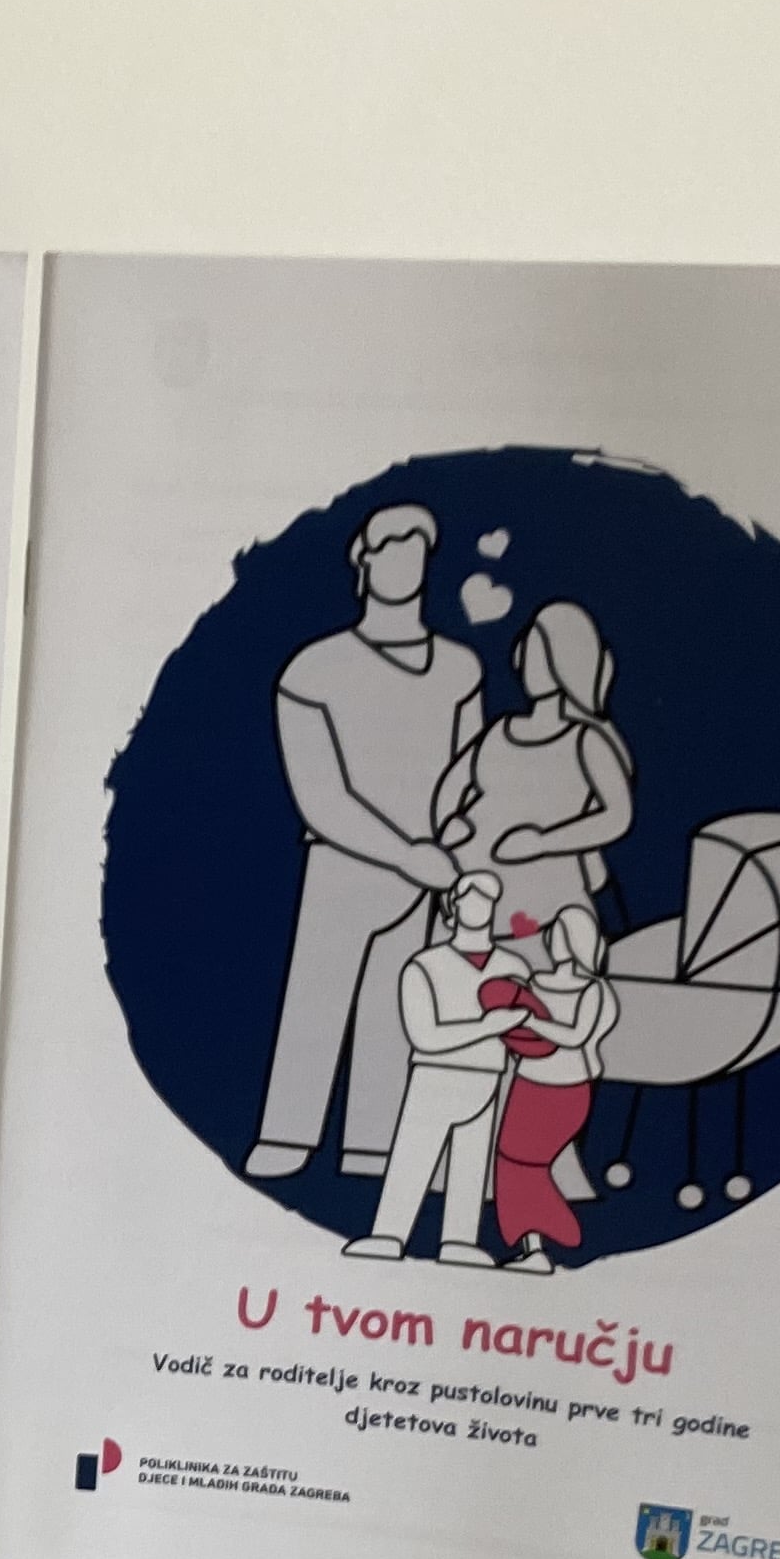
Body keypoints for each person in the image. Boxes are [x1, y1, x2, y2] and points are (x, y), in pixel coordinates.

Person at [247, 504, 485, 1184]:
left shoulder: (460, 669)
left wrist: (452, 850)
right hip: (343, 865)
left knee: (397, 1009)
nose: (403, 557)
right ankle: (287, 1135)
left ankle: (373, 1148)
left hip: (431, 873)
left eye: (417, 546)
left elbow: (473, 775)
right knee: (317, 999)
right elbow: (321, 795)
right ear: (363, 561)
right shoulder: (313, 671)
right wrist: (408, 853)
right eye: (389, 544)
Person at [347, 871, 533, 1266]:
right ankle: (388, 1235)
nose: (480, 903)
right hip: (434, 1075)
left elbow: (527, 1032)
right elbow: (425, 1036)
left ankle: (460, 1242)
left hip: (488, 1077)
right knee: (413, 1155)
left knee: (471, 1163)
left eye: (488, 897)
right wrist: (488, 1026)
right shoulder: (424, 966)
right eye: (470, 895)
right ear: (452, 906)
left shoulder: (513, 966)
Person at [434, 601, 633, 961]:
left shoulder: (584, 741)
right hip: (472, 900)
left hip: (545, 901)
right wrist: (450, 826)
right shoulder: (499, 731)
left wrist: (543, 842)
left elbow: (617, 815)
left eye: (545, 650)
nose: (533, 661)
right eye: (531, 647)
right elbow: (452, 786)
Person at [481, 906, 612, 1268]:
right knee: (511, 1162)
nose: (552, 940)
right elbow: (517, 1030)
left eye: (559, 933)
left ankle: (557, 1231)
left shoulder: (593, 990)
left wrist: (531, 1022)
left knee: (528, 1164)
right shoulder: (536, 982)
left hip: (566, 1089)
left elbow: (575, 1036)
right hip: (528, 1082)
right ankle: (534, 1248)